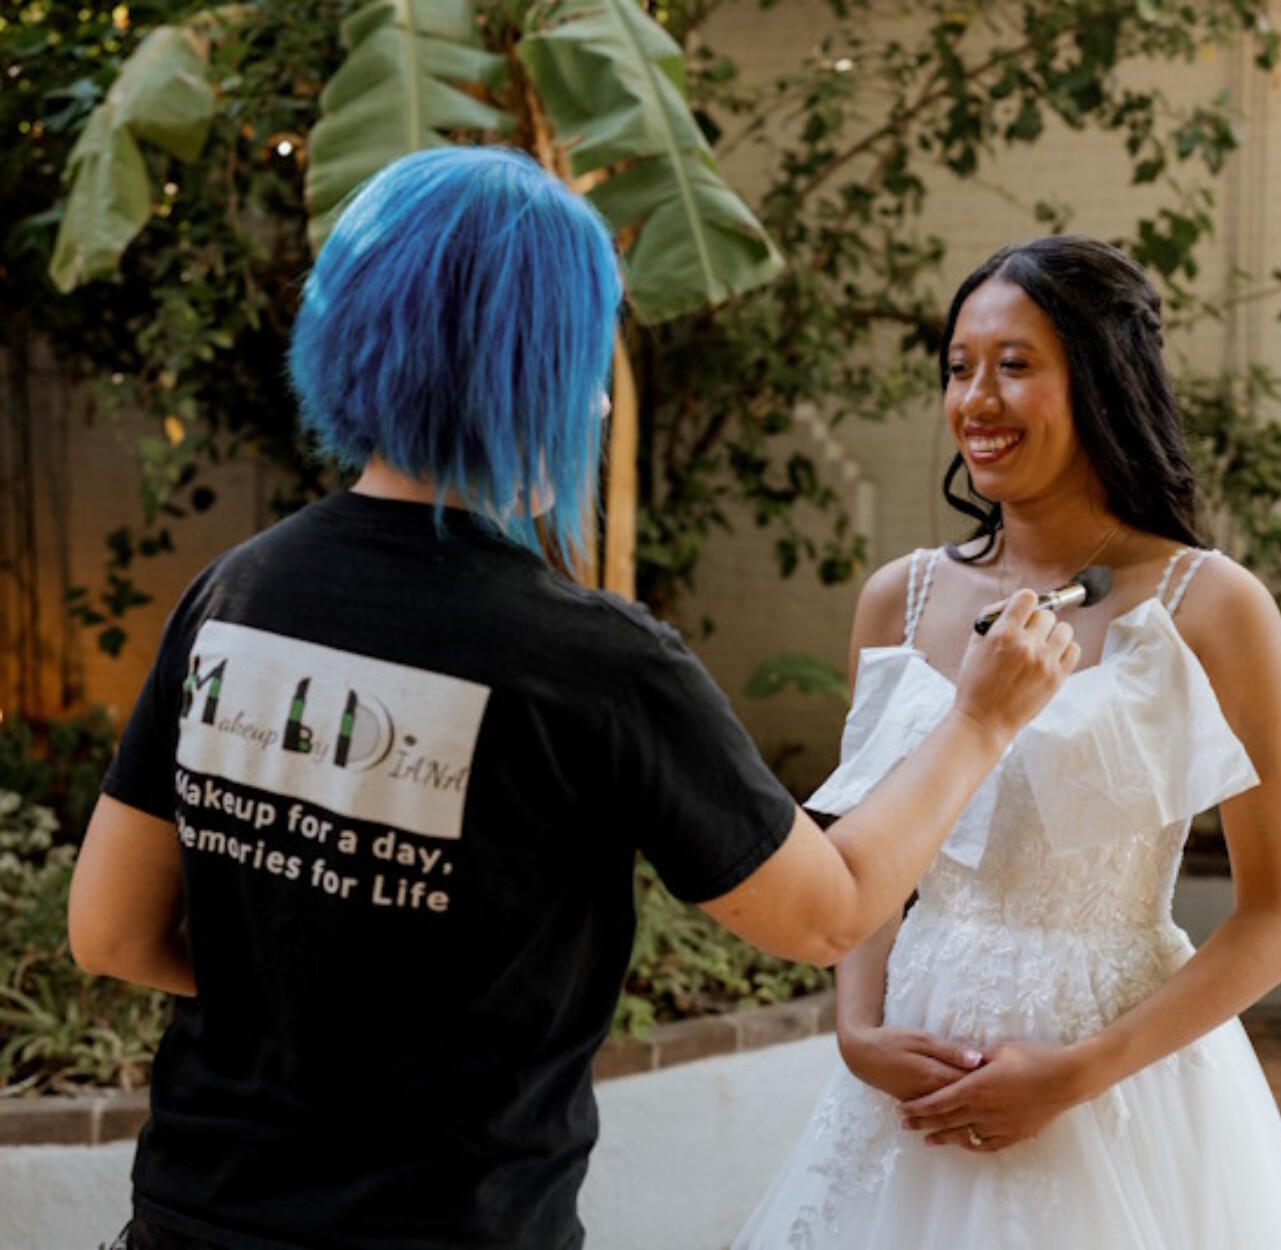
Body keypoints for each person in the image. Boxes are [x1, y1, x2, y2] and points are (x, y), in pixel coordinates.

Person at [66, 148, 1079, 1250]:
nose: (598, 397)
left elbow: (111, 931)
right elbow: (828, 908)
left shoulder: (234, 593)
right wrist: (980, 718)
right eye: (588, 360)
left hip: (184, 1220)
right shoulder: (590, 662)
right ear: (527, 370)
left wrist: (316, 993)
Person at [733, 235, 1281, 1248]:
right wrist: (858, 1028)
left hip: (1113, 1075)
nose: (977, 399)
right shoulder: (900, 597)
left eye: (1015, 364)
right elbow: (867, 858)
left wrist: (1077, 1072)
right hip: (911, 1069)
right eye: (959, 367)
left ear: (1101, 379)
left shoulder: (1214, 605)